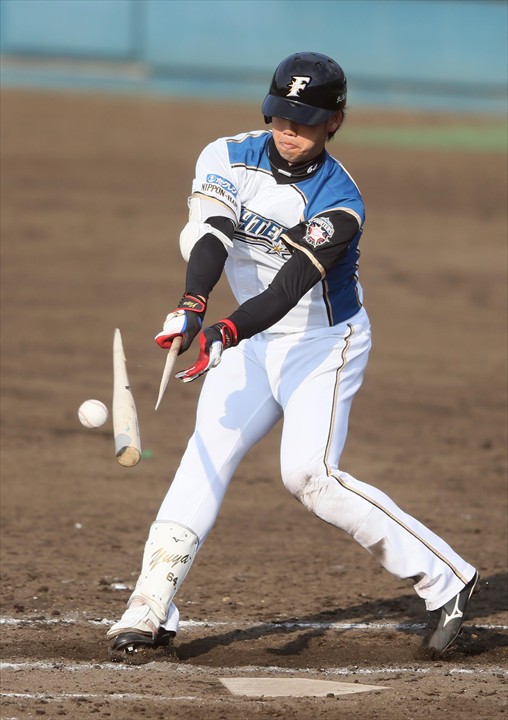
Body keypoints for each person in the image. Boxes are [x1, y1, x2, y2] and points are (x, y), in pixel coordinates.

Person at [106, 51, 478, 659]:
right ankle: (149, 607)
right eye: (281, 115)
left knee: (308, 475)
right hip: (250, 340)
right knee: (204, 457)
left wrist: (224, 331)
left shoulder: (340, 203)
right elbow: (211, 237)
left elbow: (286, 291)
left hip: (323, 345)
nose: (289, 130)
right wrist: (192, 304)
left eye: (304, 121)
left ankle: (448, 579)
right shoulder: (226, 156)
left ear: (334, 121)